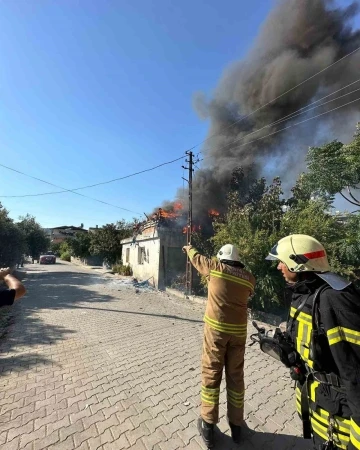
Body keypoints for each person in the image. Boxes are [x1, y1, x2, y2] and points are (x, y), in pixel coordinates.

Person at [265, 234, 360, 450]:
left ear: (297, 264)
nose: (279, 267)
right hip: (321, 408)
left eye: (282, 261)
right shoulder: (305, 294)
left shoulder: (332, 301)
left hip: (341, 425)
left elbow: (354, 369)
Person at [183, 244, 255, 448]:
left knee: (211, 375)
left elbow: (197, 258)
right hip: (239, 334)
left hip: (216, 333)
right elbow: (247, 295)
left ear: (222, 258)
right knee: (235, 377)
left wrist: (188, 248)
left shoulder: (215, 268)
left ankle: (207, 425)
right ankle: (237, 426)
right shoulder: (249, 278)